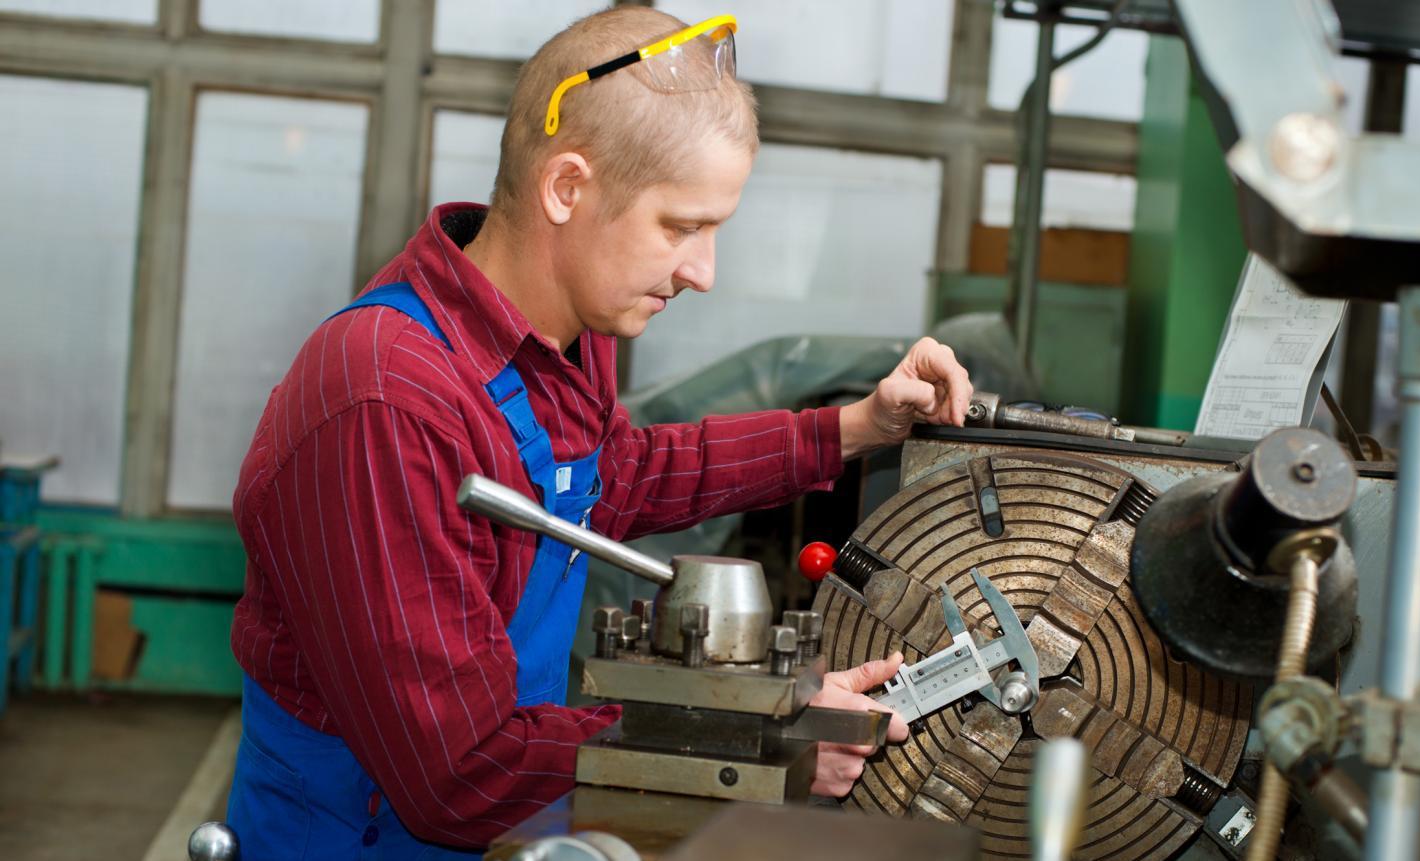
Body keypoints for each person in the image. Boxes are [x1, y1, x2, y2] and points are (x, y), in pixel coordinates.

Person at [223, 7, 973, 859]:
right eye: (680, 227)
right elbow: (458, 774)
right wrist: (763, 739)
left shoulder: (564, 338)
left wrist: (858, 426)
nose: (703, 271)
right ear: (566, 188)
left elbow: (616, 476)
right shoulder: (384, 404)